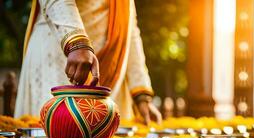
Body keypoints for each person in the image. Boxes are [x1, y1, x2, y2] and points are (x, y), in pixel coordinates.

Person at [15, 0, 162, 125]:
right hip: (58, 55)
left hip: (111, 67)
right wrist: (75, 42)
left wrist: (141, 93)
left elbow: (129, 24)